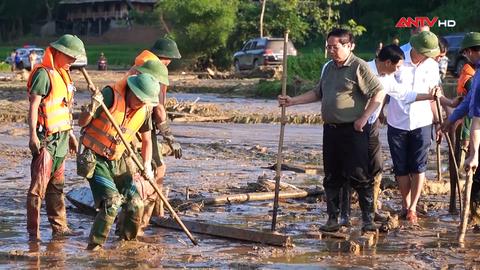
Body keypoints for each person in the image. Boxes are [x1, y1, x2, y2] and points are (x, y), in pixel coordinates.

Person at [278, 28, 384, 232]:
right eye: (329, 47)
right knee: (332, 175)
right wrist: (292, 101)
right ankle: (334, 219)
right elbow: (318, 92)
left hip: (353, 130)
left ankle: (368, 220)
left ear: (349, 46)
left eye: (335, 47)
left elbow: (378, 92)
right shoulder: (328, 67)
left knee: (359, 175)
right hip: (331, 130)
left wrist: (364, 118)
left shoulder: (357, 66)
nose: (331, 51)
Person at [339, 44, 441, 227]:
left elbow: (404, 94)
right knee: (353, 170)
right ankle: (344, 213)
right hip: (352, 125)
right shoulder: (362, 69)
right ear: (387, 62)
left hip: (369, 127)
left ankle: (370, 211)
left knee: (375, 167)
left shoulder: (387, 77)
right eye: (398, 66)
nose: (400, 70)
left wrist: (431, 97)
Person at [78, 73, 160, 251]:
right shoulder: (110, 96)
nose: (139, 103)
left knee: (136, 204)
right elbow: (81, 123)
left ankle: (125, 244)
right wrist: (93, 106)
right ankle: (95, 247)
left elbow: (147, 141)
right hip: (96, 158)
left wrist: (147, 166)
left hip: (119, 160)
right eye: (138, 99)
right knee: (112, 202)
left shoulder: (145, 110)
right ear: (131, 90)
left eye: (143, 101)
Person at [26, 34, 86, 242]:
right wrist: (32, 134)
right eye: (70, 57)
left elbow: (64, 108)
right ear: (58, 52)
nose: (72, 61)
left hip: (61, 139)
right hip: (46, 139)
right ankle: (34, 235)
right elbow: (34, 105)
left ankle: (60, 227)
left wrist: (71, 135)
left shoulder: (63, 74)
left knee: (57, 186)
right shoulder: (44, 74)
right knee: (38, 188)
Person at [387, 31, 441, 224]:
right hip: (397, 120)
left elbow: (434, 96)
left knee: (419, 166)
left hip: (422, 121)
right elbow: (384, 85)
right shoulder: (397, 57)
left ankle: (412, 207)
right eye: (425, 52)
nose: (428, 56)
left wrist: (438, 122)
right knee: (401, 167)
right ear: (416, 49)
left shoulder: (433, 66)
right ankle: (405, 201)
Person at [133, 38, 182, 231]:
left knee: (143, 168)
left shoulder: (140, 64)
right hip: (143, 121)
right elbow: (159, 109)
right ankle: (151, 217)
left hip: (130, 120)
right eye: (169, 59)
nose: (169, 63)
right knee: (158, 168)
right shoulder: (156, 70)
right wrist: (170, 138)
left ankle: (148, 213)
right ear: (165, 57)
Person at [452, 33, 480, 231]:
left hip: (477, 128)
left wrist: (474, 154)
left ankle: (475, 220)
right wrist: (450, 120)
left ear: (470, 51)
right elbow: (469, 101)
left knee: (477, 180)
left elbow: (477, 118)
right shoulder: (476, 72)